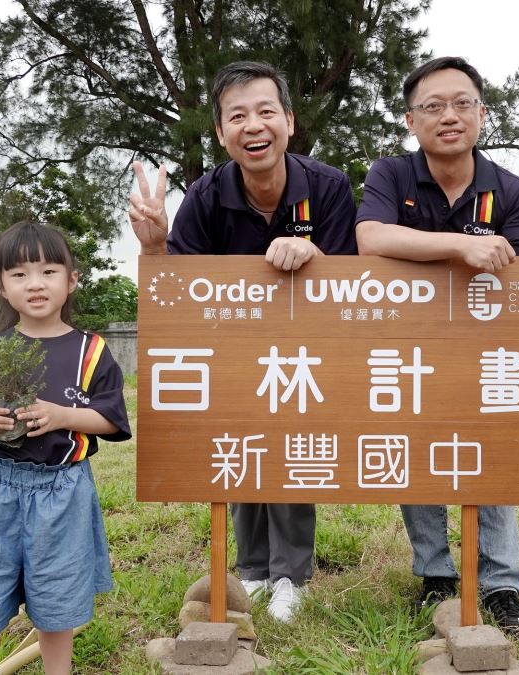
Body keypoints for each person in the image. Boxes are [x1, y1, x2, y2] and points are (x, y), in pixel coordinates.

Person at [355, 55, 519, 637]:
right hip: (407, 345)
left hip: (488, 347)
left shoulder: (506, 188)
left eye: (461, 103)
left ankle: (501, 583)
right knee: (416, 450)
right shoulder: (391, 175)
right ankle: (436, 575)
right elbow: (370, 239)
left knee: (490, 458)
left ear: (482, 113)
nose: (447, 116)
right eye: (432, 106)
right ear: (411, 120)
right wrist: (460, 246)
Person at [129, 60, 357, 622]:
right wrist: (155, 248)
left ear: (288, 120)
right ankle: (253, 571)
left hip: (309, 348)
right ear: (221, 132)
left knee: (291, 449)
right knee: (245, 449)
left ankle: (292, 574)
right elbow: (175, 290)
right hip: (232, 350)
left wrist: (314, 255)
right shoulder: (205, 196)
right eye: (238, 116)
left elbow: (356, 283)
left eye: (265, 111)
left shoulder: (327, 188)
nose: (253, 126)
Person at [0, 221, 131, 675]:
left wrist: (62, 415)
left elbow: (111, 420)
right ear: (2, 287)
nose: (35, 284)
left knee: (57, 614)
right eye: (19, 274)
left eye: (48, 271)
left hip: (63, 494)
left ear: (71, 280)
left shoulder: (92, 351)